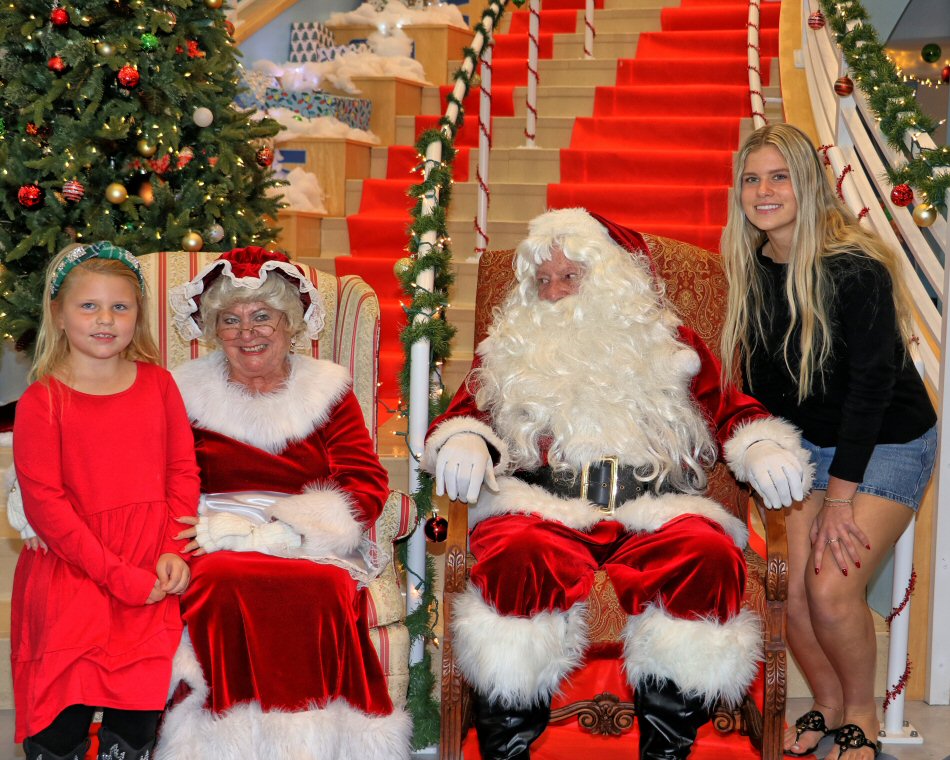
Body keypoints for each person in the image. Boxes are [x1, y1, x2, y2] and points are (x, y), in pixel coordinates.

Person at [423, 207, 813, 760]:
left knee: (705, 555)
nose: (553, 292)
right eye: (542, 279)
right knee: (515, 555)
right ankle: (507, 749)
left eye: (569, 276)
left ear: (608, 278)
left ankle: (665, 751)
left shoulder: (668, 344)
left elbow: (731, 408)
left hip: (654, 505)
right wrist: (465, 439)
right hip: (544, 505)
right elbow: (465, 412)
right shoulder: (509, 347)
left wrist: (761, 446)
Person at [720, 123, 937, 760]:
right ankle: (828, 701)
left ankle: (862, 714)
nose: (763, 191)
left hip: (886, 440)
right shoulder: (750, 266)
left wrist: (838, 499)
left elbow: (871, 391)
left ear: (809, 185)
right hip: (802, 446)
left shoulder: (855, 267)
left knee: (831, 588)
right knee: (789, 586)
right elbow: (758, 389)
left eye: (779, 176)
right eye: (751, 179)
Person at [157, 247, 410, 759]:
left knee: (321, 588)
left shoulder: (327, 389)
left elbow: (364, 479)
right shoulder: (183, 390)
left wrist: (290, 532)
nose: (246, 332)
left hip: (307, 541)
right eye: (230, 319)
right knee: (219, 580)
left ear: (289, 323)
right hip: (214, 534)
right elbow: (162, 474)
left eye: (262, 316)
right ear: (213, 329)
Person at [10, 242, 200, 760]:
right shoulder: (42, 401)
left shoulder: (159, 385)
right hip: (73, 576)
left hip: (149, 571)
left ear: (138, 315)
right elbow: (47, 507)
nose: (105, 319)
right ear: (58, 314)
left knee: (135, 719)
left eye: (120, 306)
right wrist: (117, 576)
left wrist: (173, 549)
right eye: (88, 306)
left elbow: (182, 472)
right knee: (60, 719)